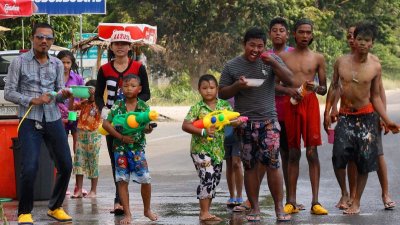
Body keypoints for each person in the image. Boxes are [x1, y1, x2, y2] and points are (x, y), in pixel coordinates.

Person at [219, 27, 293, 222]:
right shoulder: (232, 65)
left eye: (260, 46)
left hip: (269, 121)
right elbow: (222, 93)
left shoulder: (271, 61)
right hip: (245, 124)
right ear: (244, 44)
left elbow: (290, 80)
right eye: (252, 45)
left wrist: (274, 64)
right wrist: (237, 86)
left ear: (264, 46)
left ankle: (279, 208)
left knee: (273, 164)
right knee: (250, 166)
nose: (256, 50)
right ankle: (255, 208)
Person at [324, 22, 399, 214]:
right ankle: (345, 192)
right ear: (353, 41)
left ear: (372, 43)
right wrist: (328, 111)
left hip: (366, 117)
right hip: (345, 117)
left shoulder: (375, 66)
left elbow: (375, 95)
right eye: (359, 39)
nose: (363, 43)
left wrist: (386, 118)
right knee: (339, 156)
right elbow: (334, 86)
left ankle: (356, 201)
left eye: (367, 40)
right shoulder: (341, 61)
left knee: (365, 160)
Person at [4, 22, 73, 224]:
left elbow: (58, 94)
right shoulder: (19, 62)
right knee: (30, 167)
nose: (44, 41)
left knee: (66, 165)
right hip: (29, 119)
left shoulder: (57, 64)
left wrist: (65, 94)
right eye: (40, 37)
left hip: (52, 118)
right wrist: (31, 100)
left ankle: (55, 207)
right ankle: (24, 212)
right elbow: (9, 92)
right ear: (33, 38)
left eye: (49, 38)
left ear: (52, 42)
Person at [94, 30, 151, 215]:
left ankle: (143, 206)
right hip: (114, 119)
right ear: (111, 46)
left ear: (130, 47)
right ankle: (118, 201)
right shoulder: (104, 69)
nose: (120, 47)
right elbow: (97, 93)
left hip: (134, 120)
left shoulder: (138, 66)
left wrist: (133, 105)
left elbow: (146, 93)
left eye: (124, 44)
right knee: (116, 160)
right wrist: (104, 108)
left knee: (137, 160)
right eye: (116, 43)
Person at [278, 18, 328, 215]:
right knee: (292, 152)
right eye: (301, 32)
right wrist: (290, 91)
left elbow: (324, 89)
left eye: (308, 32)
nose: (305, 36)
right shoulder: (283, 57)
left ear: (312, 35)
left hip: (310, 103)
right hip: (291, 103)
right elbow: (274, 85)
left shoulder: (318, 58)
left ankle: (316, 202)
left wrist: (315, 87)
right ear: (294, 34)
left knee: (311, 152)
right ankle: (291, 201)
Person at [102, 74, 157, 224]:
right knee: (122, 180)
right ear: (121, 89)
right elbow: (106, 124)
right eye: (125, 86)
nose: (128, 89)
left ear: (139, 89)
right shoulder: (117, 105)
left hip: (137, 149)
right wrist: (120, 137)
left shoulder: (143, 107)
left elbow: (146, 127)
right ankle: (128, 214)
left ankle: (147, 210)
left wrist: (148, 129)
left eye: (132, 86)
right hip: (119, 149)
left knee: (145, 179)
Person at [182, 74, 234, 222]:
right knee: (208, 176)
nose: (208, 91)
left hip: (217, 150)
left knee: (214, 180)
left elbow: (232, 120)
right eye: (204, 88)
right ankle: (203, 212)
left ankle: (206, 211)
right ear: (199, 90)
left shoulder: (224, 106)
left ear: (217, 89)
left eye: (212, 88)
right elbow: (185, 125)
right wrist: (202, 131)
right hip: (200, 150)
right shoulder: (197, 108)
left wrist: (237, 122)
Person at [56, 50, 87, 197]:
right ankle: (63, 186)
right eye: (62, 62)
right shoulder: (54, 78)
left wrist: (79, 108)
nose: (66, 65)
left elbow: (83, 98)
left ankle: (78, 187)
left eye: (68, 62)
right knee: (62, 152)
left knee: (78, 151)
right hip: (58, 117)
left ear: (72, 63)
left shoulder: (78, 78)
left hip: (75, 116)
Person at [68, 80, 102, 198]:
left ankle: (93, 190)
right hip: (81, 134)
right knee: (78, 162)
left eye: (91, 89)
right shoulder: (84, 103)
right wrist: (72, 96)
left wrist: (95, 96)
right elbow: (71, 107)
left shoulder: (99, 103)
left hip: (94, 134)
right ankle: (79, 190)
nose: (89, 91)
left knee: (93, 161)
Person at [223, 98, 244, 208]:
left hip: (238, 132)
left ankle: (239, 196)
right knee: (229, 164)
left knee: (236, 163)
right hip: (225, 133)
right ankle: (232, 196)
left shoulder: (240, 92)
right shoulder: (221, 93)